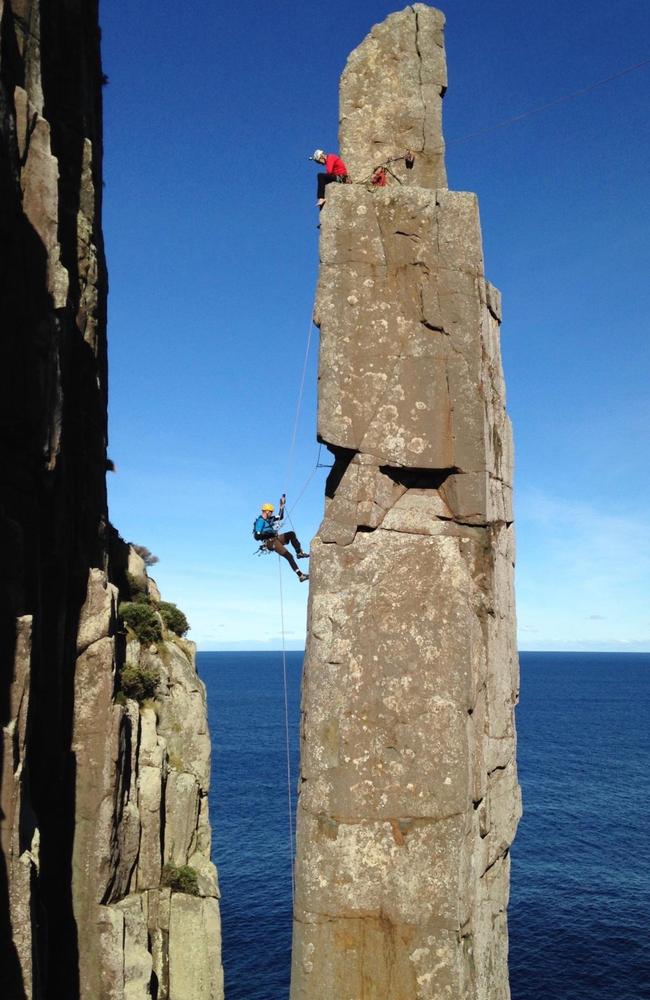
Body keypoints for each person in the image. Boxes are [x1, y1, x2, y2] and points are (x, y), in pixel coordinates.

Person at [254, 502, 310, 582]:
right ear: (267, 511)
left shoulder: (269, 519)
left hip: (275, 538)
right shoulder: (260, 521)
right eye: (271, 512)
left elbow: (280, 516)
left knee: (291, 534)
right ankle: (301, 576)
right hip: (270, 542)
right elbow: (257, 536)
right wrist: (270, 534)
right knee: (289, 556)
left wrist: (282, 507)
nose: (271, 514)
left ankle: (299, 553)